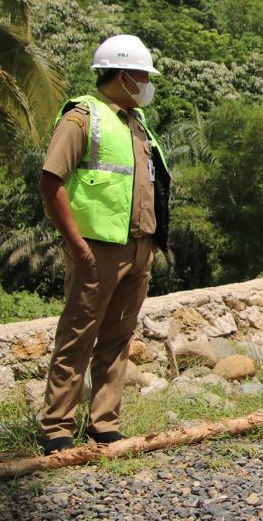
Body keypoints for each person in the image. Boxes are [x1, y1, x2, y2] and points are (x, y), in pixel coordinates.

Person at [38, 34, 170, 455]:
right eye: (143, 76)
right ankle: (57, 425)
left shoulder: (135, 121)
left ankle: (104, 423)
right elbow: (51, 180)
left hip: (138, 246)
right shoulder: (83, 117)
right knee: (78, 335)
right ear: (124, 74)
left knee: (118, 337)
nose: (148, 83)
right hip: (96, 249)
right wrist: (76, 245)